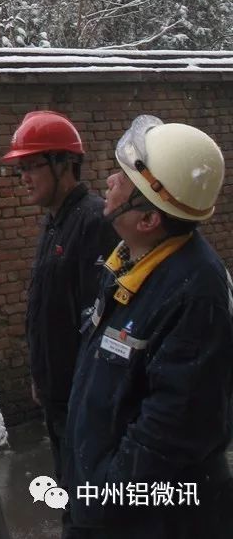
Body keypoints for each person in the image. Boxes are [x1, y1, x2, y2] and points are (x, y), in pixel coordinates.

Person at [61, 115, 233, 537]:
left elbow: (169, 433)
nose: (109, 181)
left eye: (123, 178)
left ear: (148, 220)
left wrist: (100, 503)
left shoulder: (195, 295)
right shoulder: (131, 259)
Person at [2, 110, 116, 479]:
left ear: (64, 164)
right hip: (59, 399)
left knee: (91, 501)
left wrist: (86, 395)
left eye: (31, 166)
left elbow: (100, 321)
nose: (23, 178)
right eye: (20, 169)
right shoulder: (54, 223)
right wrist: (42, 378)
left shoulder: (95, 222)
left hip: (83, 403)